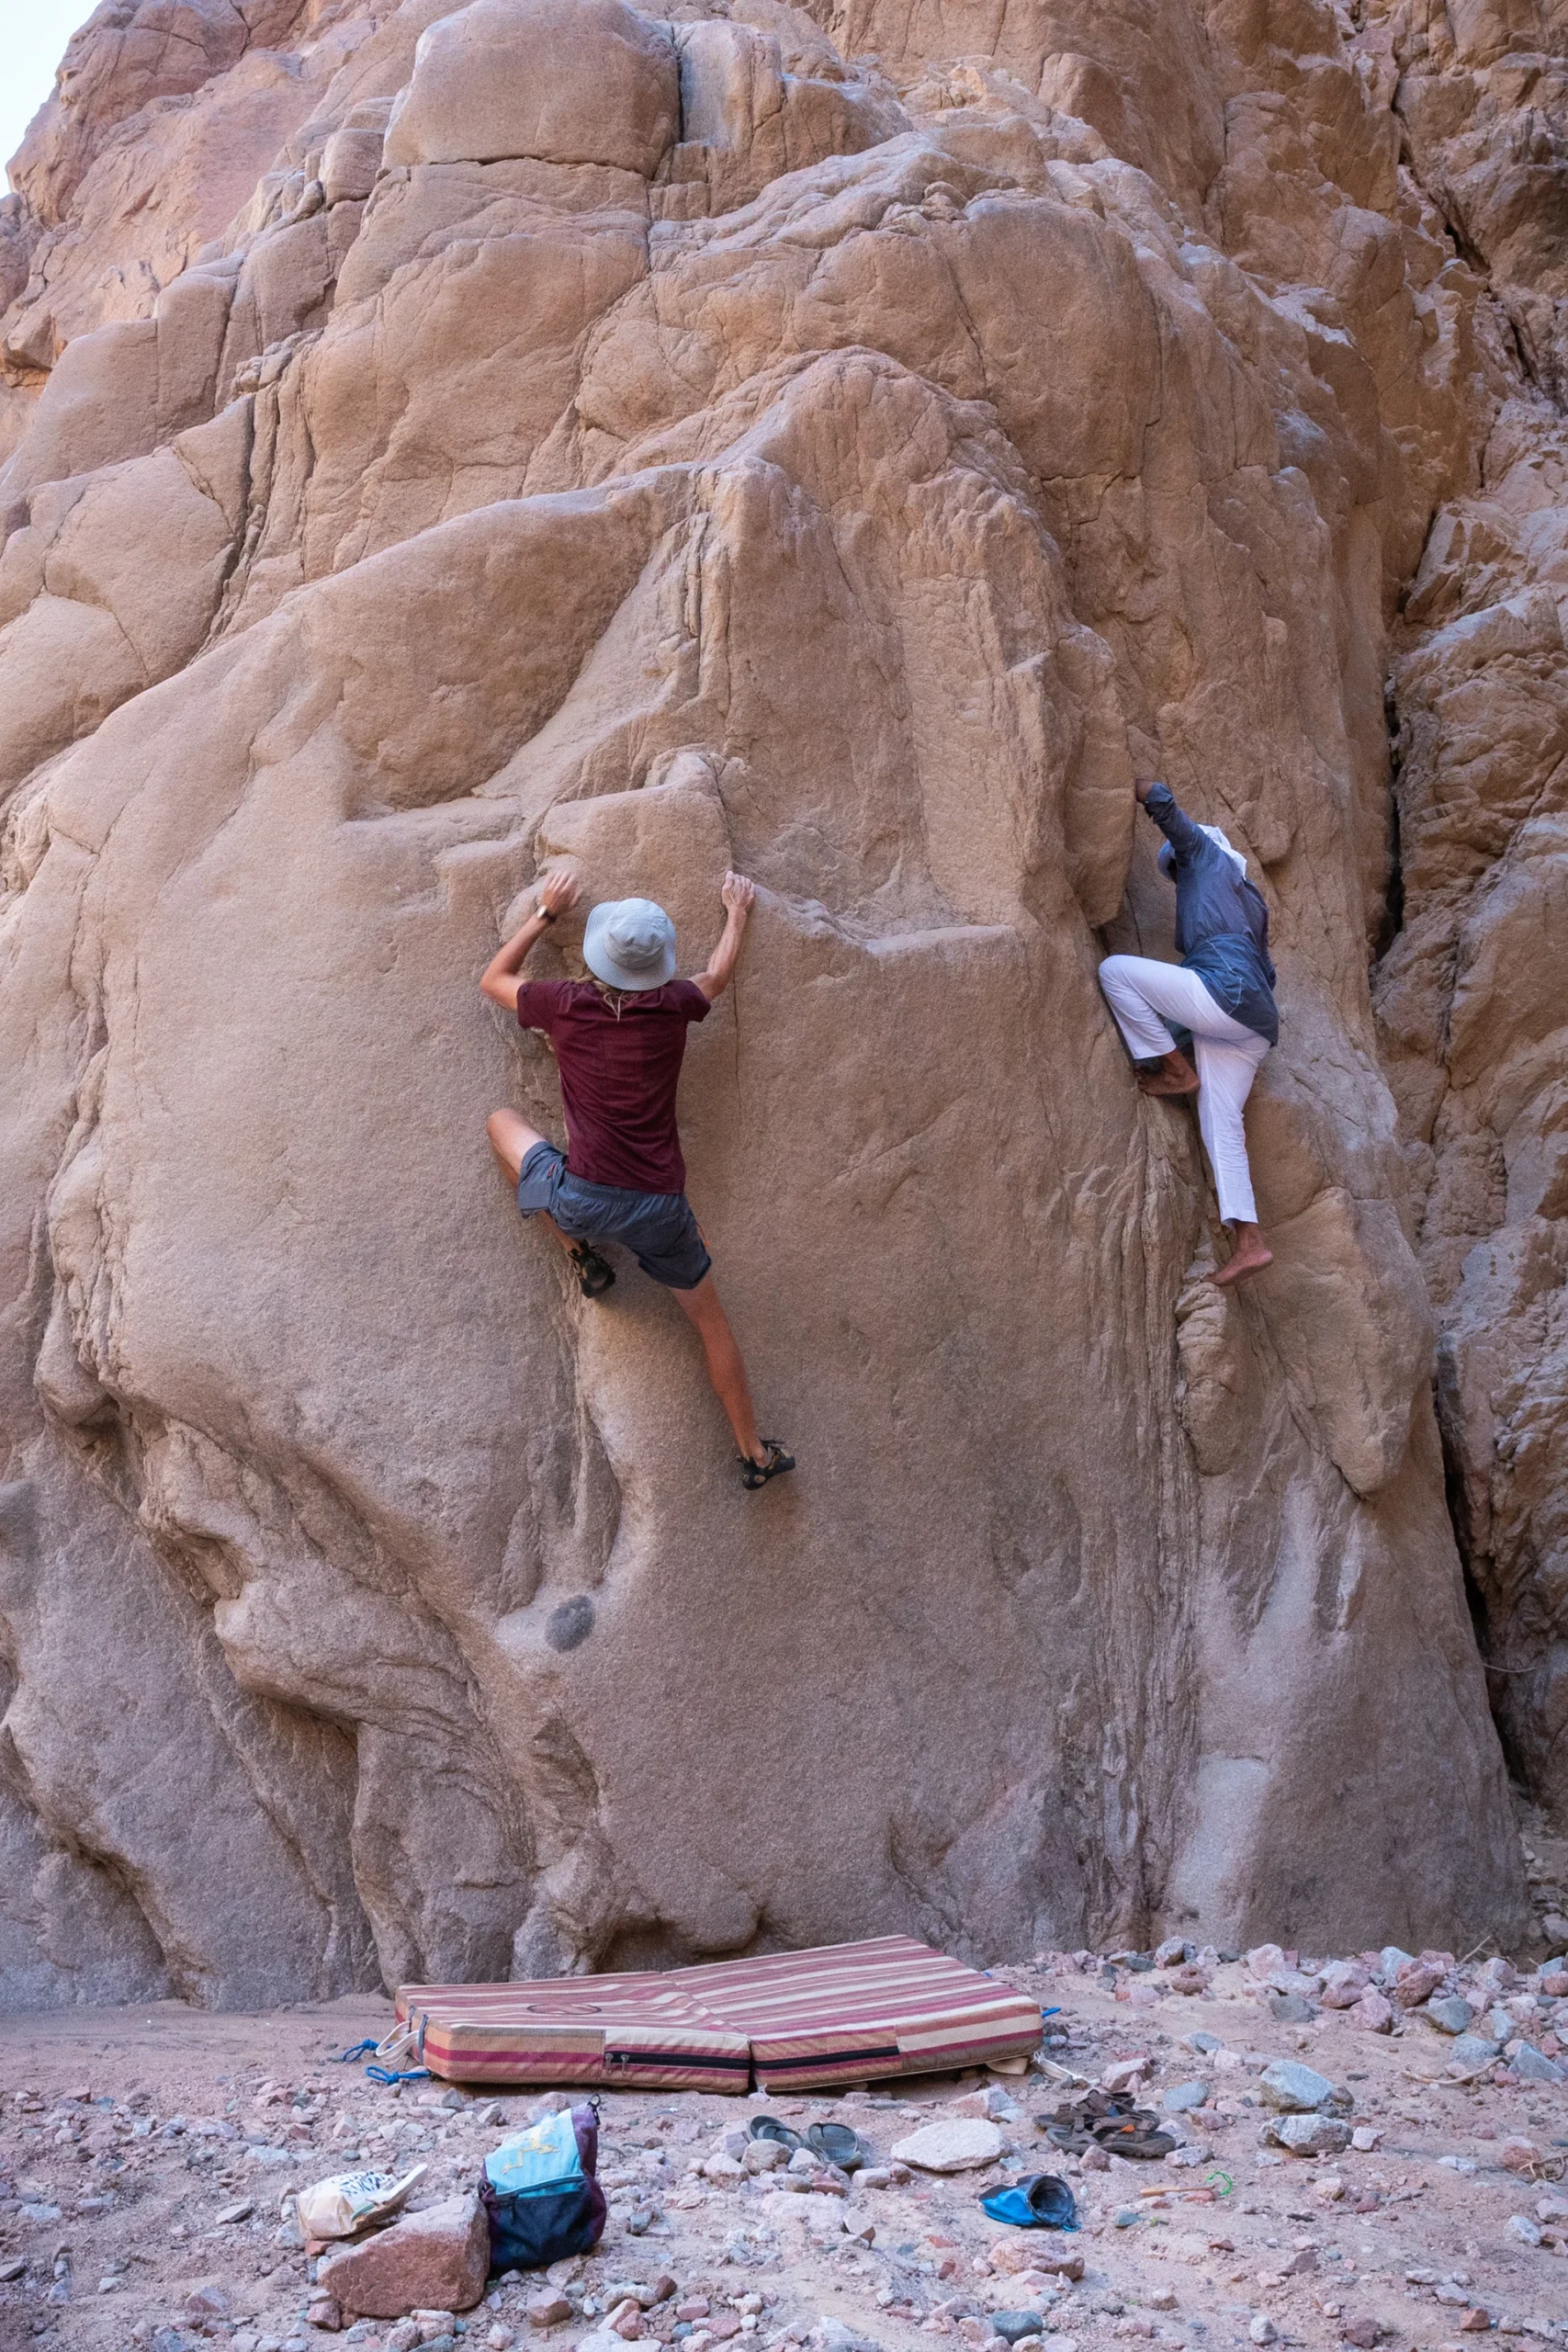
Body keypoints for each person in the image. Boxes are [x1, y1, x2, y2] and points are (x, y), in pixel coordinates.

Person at [480, 868, 795, 1489]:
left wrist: (545, 913)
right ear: (656, 968)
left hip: (582, 1201)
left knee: (502, 1125)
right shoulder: (672, 1005)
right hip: (659, 1211)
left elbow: (493, 980)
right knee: (711, 1324)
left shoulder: (564, 1007)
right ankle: (754, 1453)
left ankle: (581, 1257)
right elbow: (716, 978)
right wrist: (736, 913)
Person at [1099, 778, 1278, 1285]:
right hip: (1255, 1023)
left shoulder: (1204, 855)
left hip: (1224, 993)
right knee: (1221, 1122)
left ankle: (1176, 1071)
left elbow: (1168, 810)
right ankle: (1250, 1242)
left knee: (1115, 972)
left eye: (1176, 867)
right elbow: (1268, 973)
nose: (1177, 875)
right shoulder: (1251, 900)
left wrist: (1130, 784)